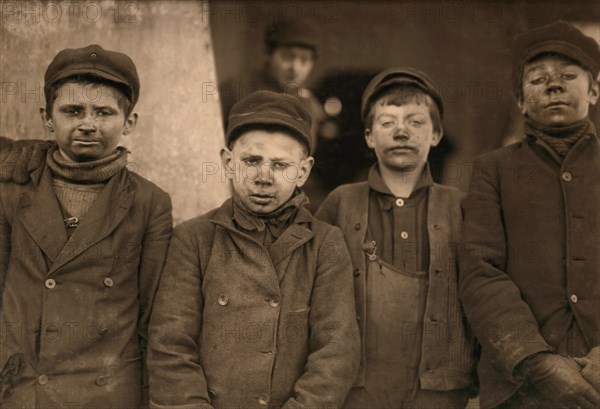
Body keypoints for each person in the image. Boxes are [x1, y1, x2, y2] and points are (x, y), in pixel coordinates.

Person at [147, 90, 360, 409]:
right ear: (228, 162)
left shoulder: (325, 244)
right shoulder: (193, 239)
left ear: (303, 171)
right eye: (251, 161)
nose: (264, 177)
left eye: (280, 165)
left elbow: (336, 352)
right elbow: (170, 347)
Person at [0, 44, 173, 407]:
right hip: (25, 390)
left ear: (129, 122)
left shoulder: (150, 203)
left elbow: (151, 316)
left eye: (104, 112)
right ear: (48, 118)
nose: (88, 124)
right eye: (72, 110)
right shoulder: (12, 191)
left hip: (106, 393)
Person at [316, 68, 478, 409]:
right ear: (369, 137)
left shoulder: (461, 208)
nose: (401, 131)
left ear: (436, 135)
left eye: (416, 122)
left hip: (438, 391)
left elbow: (483, 293)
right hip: (356, 388)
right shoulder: (340, 203)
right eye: (387, 123)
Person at [459, 20, 600, 409]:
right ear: (520, 101)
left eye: (569, 76)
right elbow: (480, 271)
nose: (554, 85)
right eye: (537, 79)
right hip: (522, 388)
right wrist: (536, 361)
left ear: (595, 90)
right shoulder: (493, 170)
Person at [219, 19, 325, 152]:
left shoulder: (308, 104)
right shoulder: (235, 89)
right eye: (287, 56)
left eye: (304, 60)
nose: (295, 68)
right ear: (268, 54)